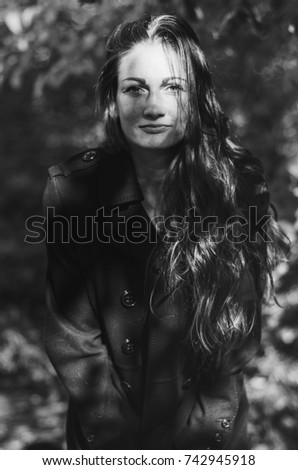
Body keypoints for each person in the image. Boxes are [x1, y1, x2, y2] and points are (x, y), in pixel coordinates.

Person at [43, 15, 288, 450]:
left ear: (196, 98)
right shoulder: (73, 191)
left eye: (173, 87)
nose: (153, 106)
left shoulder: (236, 185)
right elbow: (72, 337)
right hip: (107, 438)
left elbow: (236, 339)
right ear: (113, 100)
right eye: (135, 88)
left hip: (211, 435)